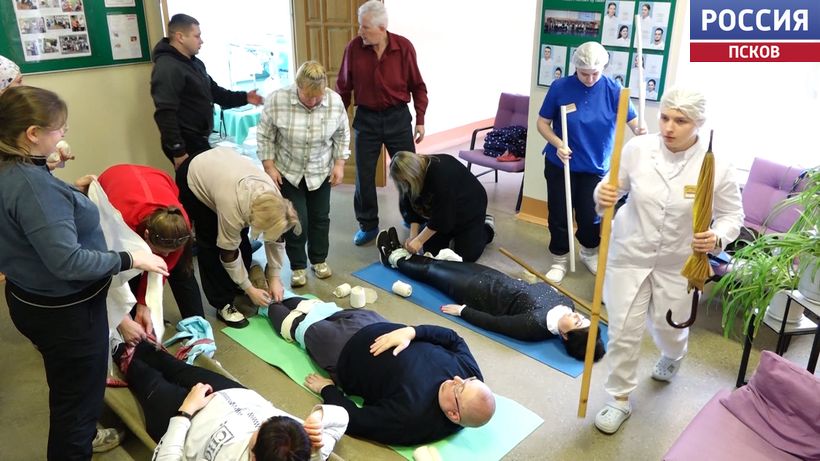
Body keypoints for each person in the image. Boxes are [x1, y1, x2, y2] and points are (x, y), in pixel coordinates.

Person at [0, 86, 169, 459]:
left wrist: (69, 197)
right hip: (66, 315)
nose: (63, 135)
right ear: (32, 134)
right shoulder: (33, 189)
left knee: (66, 385)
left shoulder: (15, 169)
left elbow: (34, 220)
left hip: (29, 297)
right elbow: (69, 262)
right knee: (77, 407)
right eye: (59, 128)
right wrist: (131, 259)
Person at [592, 87, 743, 435]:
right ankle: (619, 398)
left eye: (680, 120)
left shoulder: (715, 163)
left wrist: (717, 236)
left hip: (679, 261)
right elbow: (612, 186)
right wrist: (603, 193)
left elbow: (733, 215)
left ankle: (674, 354)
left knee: (668, 325)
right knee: (622, 330)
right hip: (629, 252)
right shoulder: (637, 149)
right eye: (664, 117)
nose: (668, 127)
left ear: (698, 123)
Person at [266, 295, 496, 445]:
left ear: (454, 415)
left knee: (278, 310)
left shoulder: (413, 421)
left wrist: (328, 390)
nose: (457, 379)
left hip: (342, 351)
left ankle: (259, 297)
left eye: (459, 388)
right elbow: (454, 340)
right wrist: (411, 332)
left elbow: (355, 420)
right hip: (374, 322)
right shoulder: (471, 379)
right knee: (306, 304)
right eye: (466, 380)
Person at [376, 228, 606, 361]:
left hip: (476, 292)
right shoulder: (566, 303)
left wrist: (464, 311)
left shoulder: (534, 326)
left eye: (577, 324)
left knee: (432, 272)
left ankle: (393, 258)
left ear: (565, 336)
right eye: (582, 318)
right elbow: (538, 291)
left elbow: (495, 323)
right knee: (443, 264)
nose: (578, 316)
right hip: (494, 277)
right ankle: (401, 251)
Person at [114, 341, 348, 460]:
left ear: (254, 456)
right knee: (175, 367)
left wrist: (184, 413)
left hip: (188, 423)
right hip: (233, 395)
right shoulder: (304, 450)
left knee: (147, 379)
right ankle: (136, 335)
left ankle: (117, 347)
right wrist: (319, 417)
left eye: (260, 429)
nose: (261, 423)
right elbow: (342, 417)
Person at [536, 41, 645, 285]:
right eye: (584, 73)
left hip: (594, 167)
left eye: (595, 73)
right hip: (560, 163)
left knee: (590, 216)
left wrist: (641, 130)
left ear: (603, 68)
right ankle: (559, 259)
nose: (589, 78)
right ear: (576, 68)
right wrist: (558, 143)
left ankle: (588, 251)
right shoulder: (560, 87)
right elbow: (542, 123)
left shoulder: (614, 90)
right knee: (560, 213)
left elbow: (635, 124)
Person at [176, 147, 301, 328]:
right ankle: (223, 304)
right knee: (211, 243)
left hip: (224, 169)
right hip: (195, 176)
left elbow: (277, 239)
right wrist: (249, 289)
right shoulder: (232, 206)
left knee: (240, 237)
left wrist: (274, 277)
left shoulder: (275, 200)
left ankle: (238, 284)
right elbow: (228, 252)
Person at [336, 0, 429, 246]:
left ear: (382, 27)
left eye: (365, 27)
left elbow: (418, 86)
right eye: (360, 26)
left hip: (397, 116)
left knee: (409, 173)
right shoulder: (354, 48)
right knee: (363, 175)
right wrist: (335, 121)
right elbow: (343, 88)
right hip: (366, 118)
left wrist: (420, 119)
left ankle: (412, 217)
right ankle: (368, 225)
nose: (360, 32)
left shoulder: (403, 47)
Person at [257, 61, 350, 288]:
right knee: (297, 220)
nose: (313, 102)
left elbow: (341, 134)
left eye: (317, 98)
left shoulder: (334, 102)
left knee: (320, 217)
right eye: (308, 97)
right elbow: (265, 135)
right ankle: (298, 266)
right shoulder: (277, 100)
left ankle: (319, 260)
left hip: (320, 170)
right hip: (289, 170)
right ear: (297, 86)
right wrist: (269, 166)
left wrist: (339, 164)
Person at [98, 164, 204, 344]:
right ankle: (136, 330)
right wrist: (128, 314)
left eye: (169, 252)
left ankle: (199, 330)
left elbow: (161, 270)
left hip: (158, 179)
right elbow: (113, 274)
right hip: (114, 181)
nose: (163, 256)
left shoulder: (179, 222)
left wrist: (145, 303)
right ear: (146, 235)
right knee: (131, 271)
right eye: (160, 252)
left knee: (181, 271)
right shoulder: (120, 222)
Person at [150, 14, 263, 169]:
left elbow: (215, 92)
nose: (201, 41)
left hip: (199, 138)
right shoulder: (167, 67)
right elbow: (165, 113)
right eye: (197, 36)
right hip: (185, 142)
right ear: (180, 37)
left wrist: (245, 98)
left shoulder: (194, 63)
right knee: (195, 187)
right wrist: (178, 151)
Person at [389, 152, 494, 262]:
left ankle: (487, 227)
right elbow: (411, 208)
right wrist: (413, 237)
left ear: (414, 175)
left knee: (466, 256)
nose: (405, 185)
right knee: (432, 251)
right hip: (445, 207)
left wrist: (419, 241)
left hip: (470, 205)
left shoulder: (441, 176)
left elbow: (443, 215)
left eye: (406, 181)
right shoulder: (408, 180)